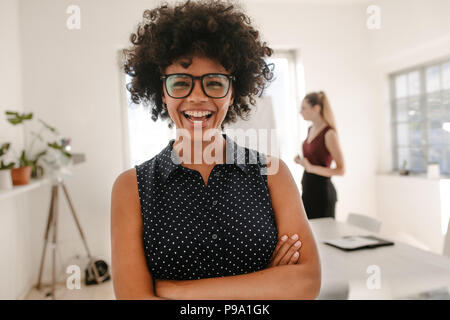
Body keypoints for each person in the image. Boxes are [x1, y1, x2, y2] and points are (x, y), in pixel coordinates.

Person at [111, 0, 320, 300]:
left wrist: (177, 291)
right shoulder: (130, 188)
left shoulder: (273, 174)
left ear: (233, 91)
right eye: (181, 83)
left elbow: (306, 283)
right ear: (162, 92)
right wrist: (266, 284)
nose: (198, 97)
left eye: (214, 82)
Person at [294, 91, 345, 219]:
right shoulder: (310, 129)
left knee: (322, 234)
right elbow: (312, 161)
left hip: (322, 193)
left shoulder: (329, 133)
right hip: (308, 190)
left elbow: (341, 170)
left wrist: (311, 168)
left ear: (316, 108)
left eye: (304, 108)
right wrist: (301, 162)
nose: (301, 112)